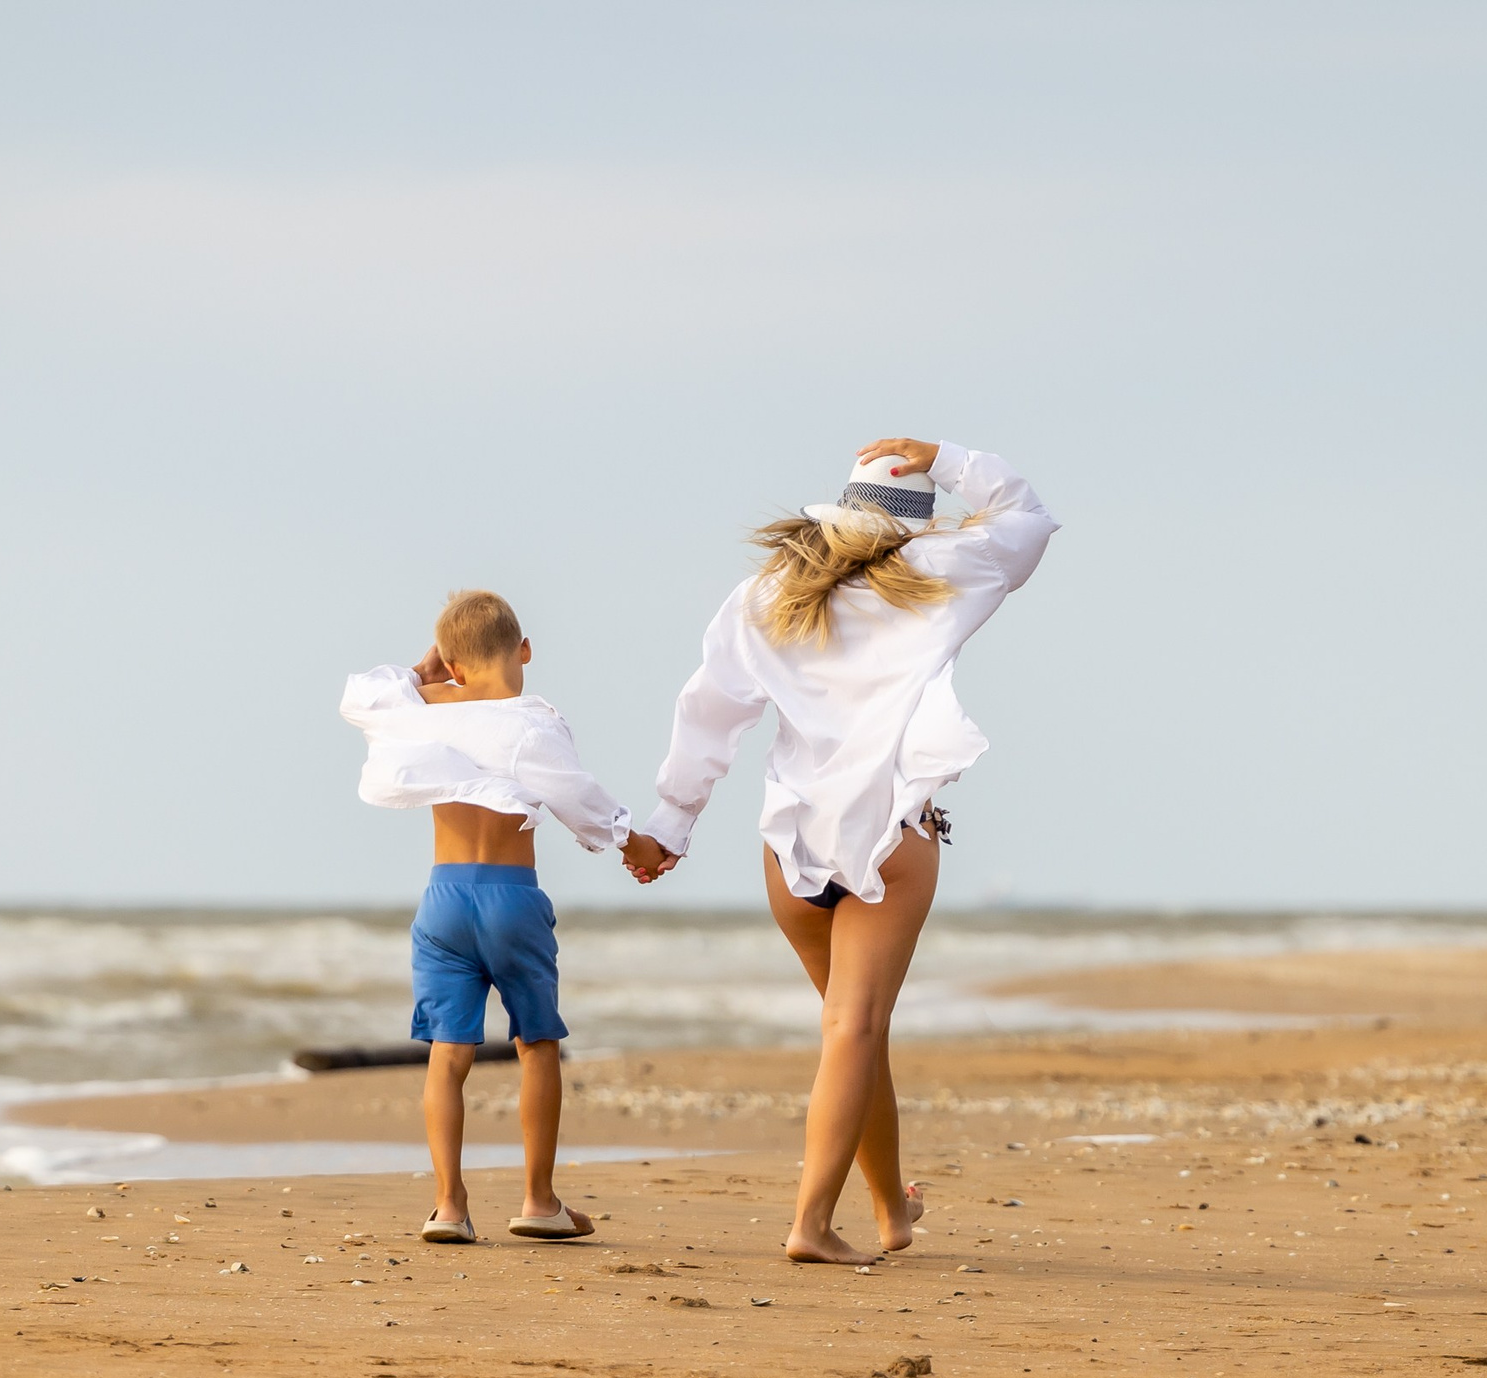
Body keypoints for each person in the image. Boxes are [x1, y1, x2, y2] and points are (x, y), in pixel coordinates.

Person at [630, 439, 1059, 1264]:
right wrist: (944, 453)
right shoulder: (941, 571)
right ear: (913, 524)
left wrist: (671, 824)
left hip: (792, 841)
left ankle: (892, 1210)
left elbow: (708, 713)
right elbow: (1029, 517)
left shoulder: (767, 592)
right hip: (891, 830)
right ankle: (811, 1223)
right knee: (855, 1028)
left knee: (851, 1033)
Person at [341, 589, 671, 1245]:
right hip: (510, 896)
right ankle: (538, 1199)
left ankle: (449, 1206)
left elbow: (364, 693)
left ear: (452, 663)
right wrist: (638, 845)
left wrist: (424, 669)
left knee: (447, 1054)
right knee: (537, 1044)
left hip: (443, 899)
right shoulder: (530, 721)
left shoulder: (421, 709)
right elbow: (580, 796)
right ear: (523, 650)